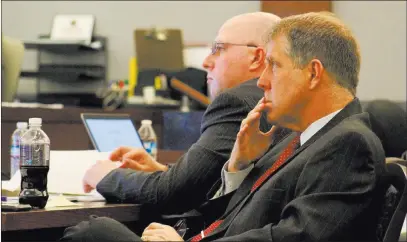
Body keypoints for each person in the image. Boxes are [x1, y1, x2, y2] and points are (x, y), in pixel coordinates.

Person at [62, 12, 386, 242]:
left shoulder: (348, 144)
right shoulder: (306, 138)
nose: (261, 81)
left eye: (274, 66)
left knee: (92, 232)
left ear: (313, 74)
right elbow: (234, 218)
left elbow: (293, 237)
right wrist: (238, 166)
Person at [81, 12, 286, 216]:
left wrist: (107, 176)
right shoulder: (280, 99)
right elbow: (214, 184)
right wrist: (164, 172)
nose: (206, 62)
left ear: (256, 57)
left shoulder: (237, 102)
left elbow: (171, 195)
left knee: (88, 230)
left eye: (218, 49)